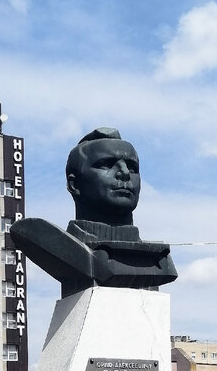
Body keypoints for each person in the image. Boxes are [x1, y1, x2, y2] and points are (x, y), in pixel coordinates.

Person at [9, 127, 178, 296]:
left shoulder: (158, 260)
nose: (125, 173)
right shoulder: (47, 239)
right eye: (106, 165)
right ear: (74, 185)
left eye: (132, 167)